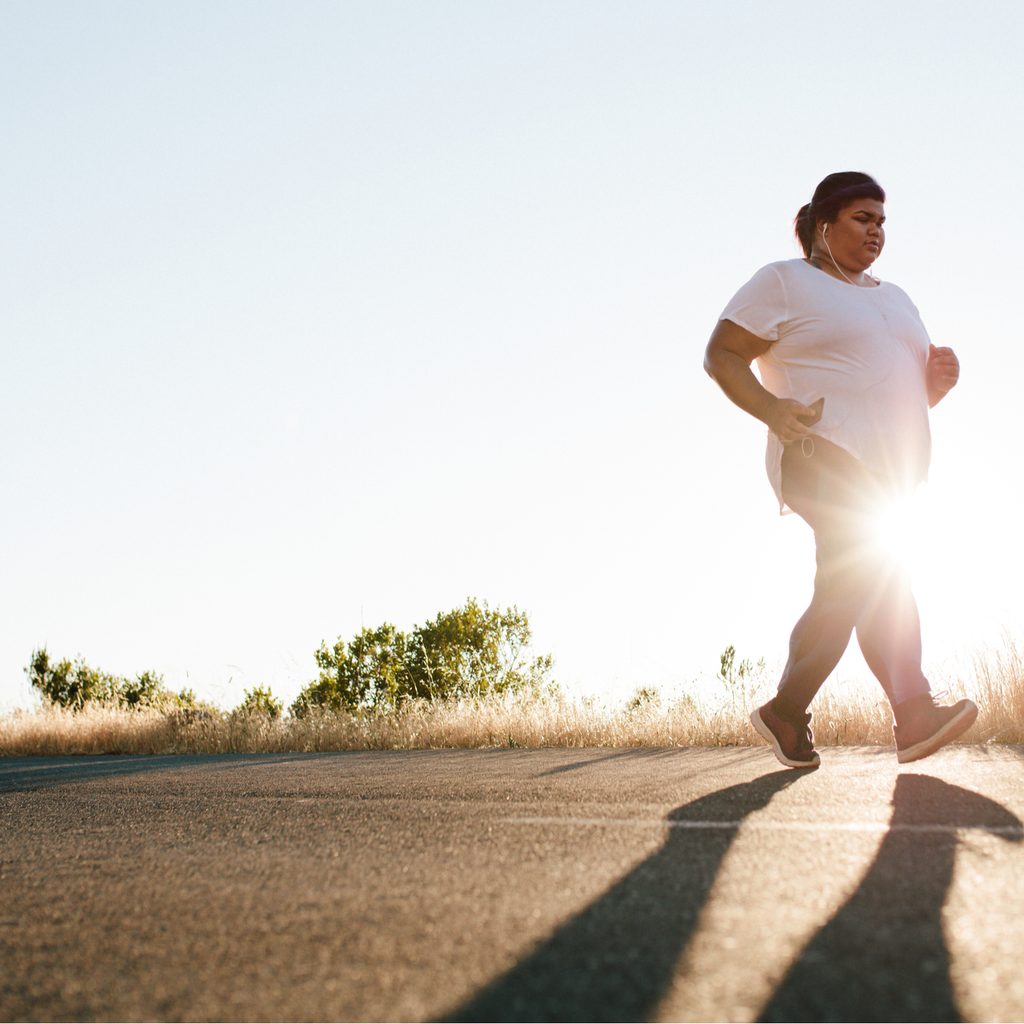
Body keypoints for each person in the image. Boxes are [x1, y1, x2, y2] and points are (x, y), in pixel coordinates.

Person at [703, 171, 977, 768]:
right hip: (817, 452)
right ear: (823, 224)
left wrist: (934, 386)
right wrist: (772, 409)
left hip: (890, 473)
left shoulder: (896, 298)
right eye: (862, 218)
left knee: (863, 581)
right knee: (868, 572)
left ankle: (790, 711)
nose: (876, 231)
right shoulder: (785, 280)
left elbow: (885, 394)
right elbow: (720, 354)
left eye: (882, 221)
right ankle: (913, 713)